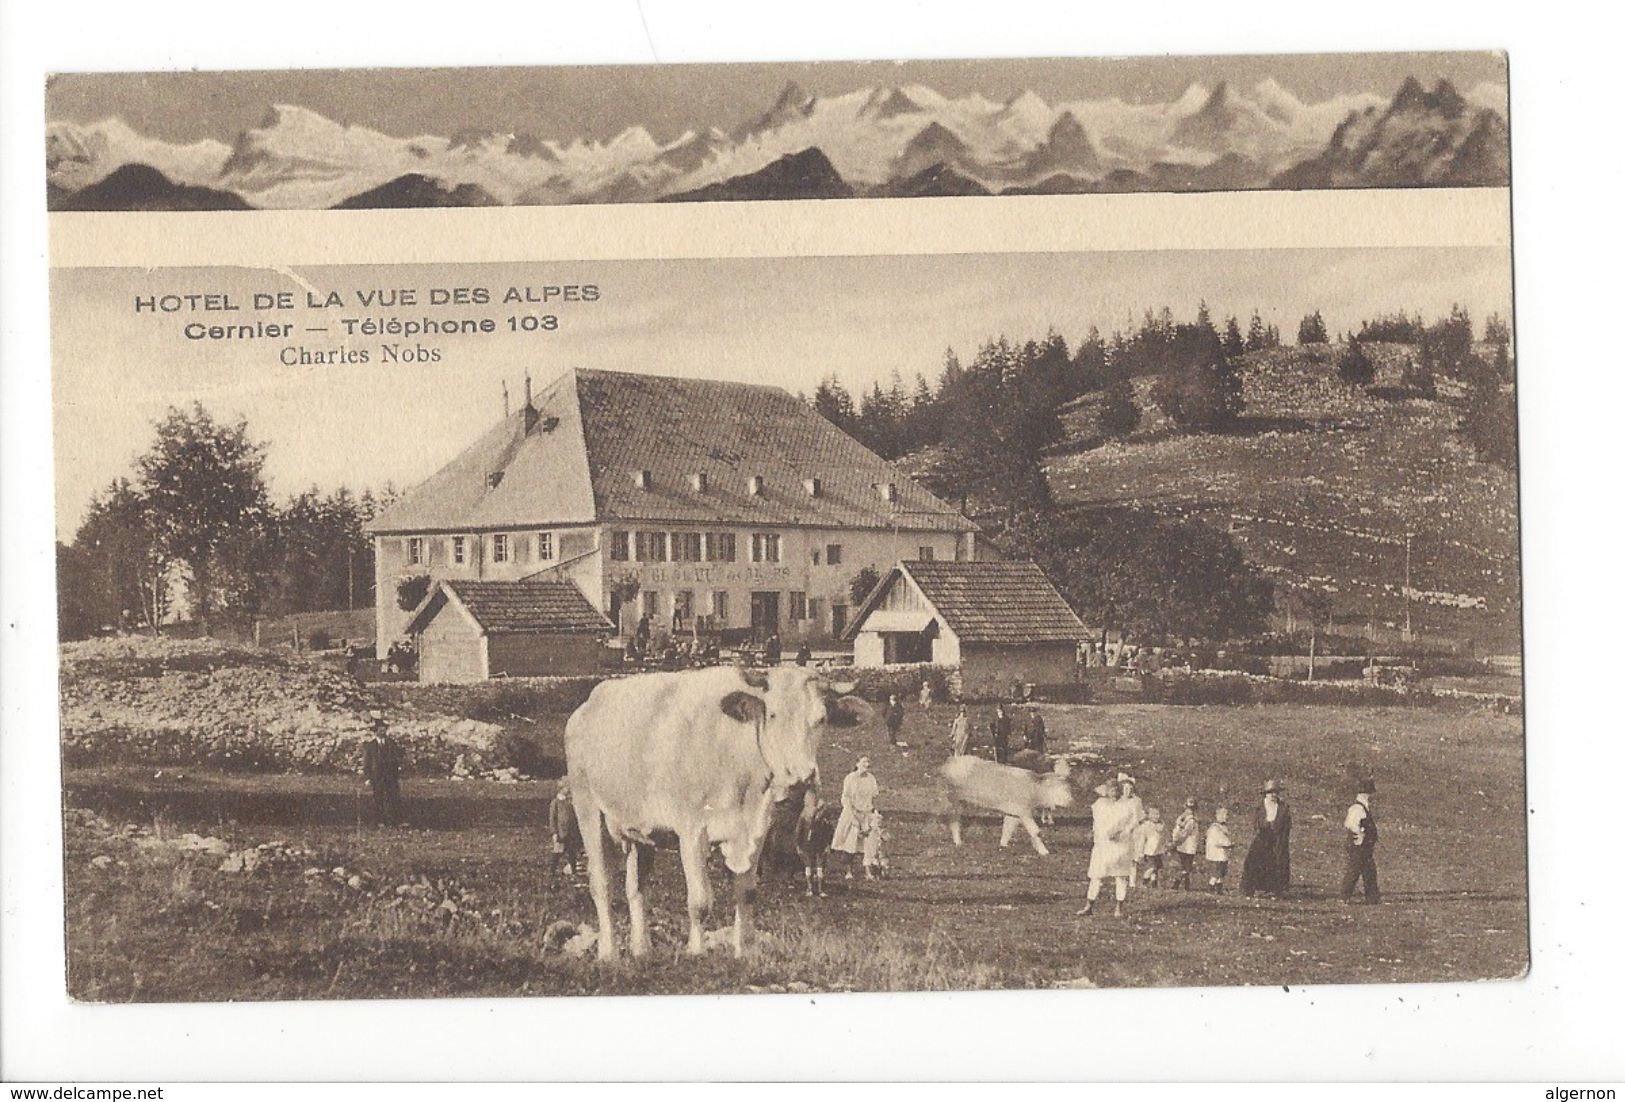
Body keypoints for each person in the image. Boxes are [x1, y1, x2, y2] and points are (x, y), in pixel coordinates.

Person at [1080, 778, 1136, 917]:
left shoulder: (1127, 806)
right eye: (1111, 790)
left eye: (1116, 790)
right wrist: (1098, 835)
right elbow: (1097, 823)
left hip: (1121, 844)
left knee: (1120, 876)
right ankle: (1089, 906)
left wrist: (1121, 832)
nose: (1114, 792)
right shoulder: (1100, 804)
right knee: (1096, 875)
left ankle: (1118, 908)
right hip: (1103, 845)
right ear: (1106, 791)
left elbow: (1132, 823)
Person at [1240, 779, 1293, 897]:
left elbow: (1287, 824)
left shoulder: (1283, 807)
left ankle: (1275, 890)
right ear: (1266, 794)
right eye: (1270, 792)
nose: (1273, 795)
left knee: (1278, 863)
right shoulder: (1260, 806)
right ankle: (1251, 889)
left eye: (1276, 792)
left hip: (1277, 839)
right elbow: (1256, 823)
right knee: (1256, 862)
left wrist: (1281, 835)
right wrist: (1264, 828)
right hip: (1262, 839)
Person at [831, 756, 879, 880]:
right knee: (850, 843)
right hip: (852, 813)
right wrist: (853, 814)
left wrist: (873, 813)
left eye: (868, 762)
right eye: (864, 762)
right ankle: (849, 871)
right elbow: (845, 798)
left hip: (866, 813)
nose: (866, 764)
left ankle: (868, 872)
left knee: (868, 844)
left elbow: (874, 797)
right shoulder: (850, 778)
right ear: (857, 763)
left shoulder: (871, 779)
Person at [1340, 779, 1380, 904]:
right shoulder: (1357, 808)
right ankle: (1344, 897)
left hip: (1365, 847)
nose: (1371, 797)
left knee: (1369, 871)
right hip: (1359, 846)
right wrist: (1360, 834)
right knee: (1354, 870)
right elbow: (1350, 824)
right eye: (1369, 794)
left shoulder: (1363, 807)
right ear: (1365, 794)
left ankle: (1372, 898)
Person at [360, 711, 404, 825]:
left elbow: (396, 758)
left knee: (393, 798)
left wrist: (397, 772)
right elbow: (367, 763)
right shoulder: (370, 746)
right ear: (376, 731)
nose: (383, 731)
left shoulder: (391, 743)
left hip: (390, 776)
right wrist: (368, 778)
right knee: (378, 799)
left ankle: (394, 821)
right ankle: (378, 821)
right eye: (380, 729)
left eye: (384, 729)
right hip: (377, 777)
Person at [549, 778, 584, 882]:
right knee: (557, 853)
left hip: (570, 833)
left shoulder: (570, 802)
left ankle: (573, 872)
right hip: (560, 833)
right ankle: (552, 872)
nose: (569, 790)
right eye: (567, 788)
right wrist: (554, 832)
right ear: (561, 789)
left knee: (571, 853)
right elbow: (552, 818)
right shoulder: (555, 802)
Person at [1170, 797, 1201, 890]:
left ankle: (1183, 885)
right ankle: (1179, 884)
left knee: (1186, 867)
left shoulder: (1191, 820)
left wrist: (1176, 841)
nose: (1189, 810)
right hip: (1184, 846)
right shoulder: (1185, 818)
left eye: (1191, 809)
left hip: (1188, 846)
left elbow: (1184, 832)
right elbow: (1182, 831)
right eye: (1188, 808)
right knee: (1184, 867)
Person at [1133, 806, 1168, 888]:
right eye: (1154, 814)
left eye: (1158, 814)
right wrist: (1140, 852)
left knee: (1157, 868)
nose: (1157, 816)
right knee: (1152, 867)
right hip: (1149, 851)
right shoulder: (1146, 826)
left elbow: (1164, 837)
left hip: (1158, 850)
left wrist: (1165, 847)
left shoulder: (1161, 825)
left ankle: (1153, 883)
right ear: (1148, 815)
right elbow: (1142, 840)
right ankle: (1144, 882)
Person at [1206, 807, 1235, 892]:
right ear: (1219, 816)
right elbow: (1219, 840)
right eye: (1225, 815)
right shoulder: (1215, 828)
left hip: (1222, 854)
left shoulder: (1223, 827)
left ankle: (1219, 888)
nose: (1227, 817)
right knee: (1216, 872)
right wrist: (1229, 844)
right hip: (1216, 855)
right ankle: (1211, 887)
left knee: (1221, 873)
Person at [862, 810, 890, 879]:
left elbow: (886, 837)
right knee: (870, 857)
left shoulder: (882, 831)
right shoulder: (870, 831)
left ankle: (880, 872)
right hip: (871, 844)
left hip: (879, 847)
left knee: (881, 857)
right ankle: (868, 873)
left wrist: (883, 836)